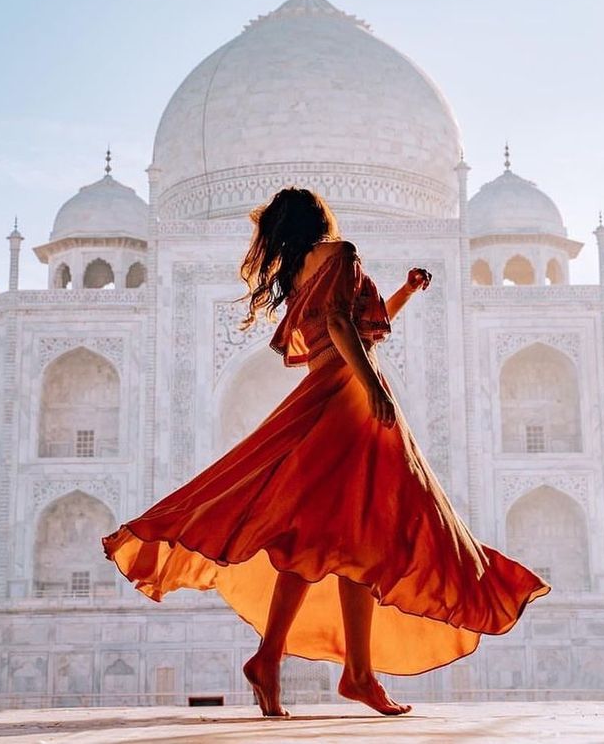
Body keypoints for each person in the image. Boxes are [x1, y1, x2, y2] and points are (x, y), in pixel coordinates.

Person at [102, 187, 550, 717]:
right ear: (321, 218)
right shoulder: (339, 253)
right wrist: (377, 391)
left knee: (332, 536)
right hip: (349, 399)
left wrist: (404, 293)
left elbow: (360, 324)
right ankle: (346, 672)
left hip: (327, 395)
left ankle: (298, 663)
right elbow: (341, 327)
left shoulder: (298, 276)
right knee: (362, 529)